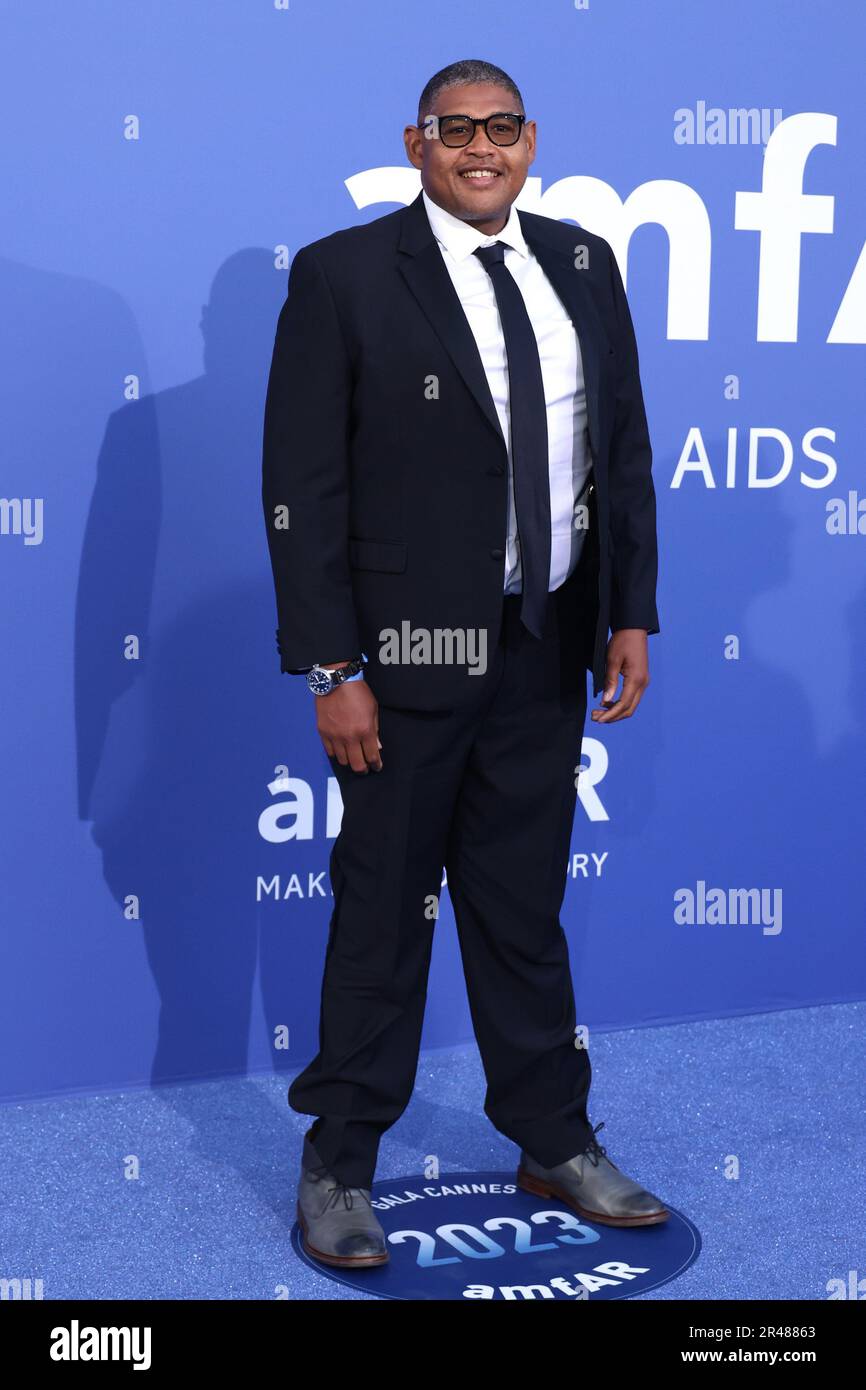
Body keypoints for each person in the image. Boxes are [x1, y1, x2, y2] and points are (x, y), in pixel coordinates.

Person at [262, 58, 666, 1270]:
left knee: (520, 909)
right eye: (455, 131)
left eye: (500, 128)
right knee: (382, 912)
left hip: (542, 645)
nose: (479, 148)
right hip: (398, 658)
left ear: (529, 140)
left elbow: (624, 452)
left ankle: (551, 1133)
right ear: (416, 141)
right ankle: (338, 1161)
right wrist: (332, 664)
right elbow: (301, 487)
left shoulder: (584, 263)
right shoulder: (342, 274)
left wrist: (629, 611)